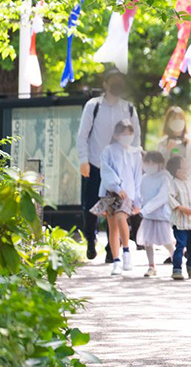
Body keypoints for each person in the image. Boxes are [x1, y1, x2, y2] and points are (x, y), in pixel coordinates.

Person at [76, 70, 140, 260]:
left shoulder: (128, 108)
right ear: (105, 84)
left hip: (121, 168)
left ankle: (112, 250)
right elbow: (83, 135)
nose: (117, 85)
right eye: (114, 81)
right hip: (95, 164)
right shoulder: (93, 106)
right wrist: (83, 160)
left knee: (118, 208)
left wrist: (136, 161)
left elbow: (136, 137)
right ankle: (90, 239)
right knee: (92, 205)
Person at [89, 120, 142, 276]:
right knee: (112, 227)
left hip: (128, 193)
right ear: (116, 135)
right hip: (110, 192)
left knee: (121, 219)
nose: (127, 137)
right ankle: (116, 260)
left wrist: (138, 199)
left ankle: (126, 252)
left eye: (130, 134)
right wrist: (117, 187)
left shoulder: (135, 153)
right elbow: (106, 171)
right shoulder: (108, 151)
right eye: (124, 134)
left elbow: (138, 176)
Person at [136, 151, 175, 277]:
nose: (150, 165)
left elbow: (162, 197)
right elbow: (139, 194)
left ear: (160, 164)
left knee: (166, 241)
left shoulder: (165, 177)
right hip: (147, 216)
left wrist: (145, 209)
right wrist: (137, 206)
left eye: (153, 163)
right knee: (147, 242)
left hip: (160, 215)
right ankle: (151, 266)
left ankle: (176, 260)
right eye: (148, 163)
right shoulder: (144, 178)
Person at [156, 106, 191, 186]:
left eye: (180, 119)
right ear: (168, 122)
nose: (178, 122)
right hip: (171, 189)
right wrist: (168, 150)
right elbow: (158, 169)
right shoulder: (162, 144)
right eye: (174, 119)